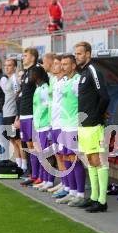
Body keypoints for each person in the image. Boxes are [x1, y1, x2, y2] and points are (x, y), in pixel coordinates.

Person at [74, 41, 110, 213]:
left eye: (80, 53)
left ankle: (102, 201)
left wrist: (96, 117)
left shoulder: (94, 70)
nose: (77, 56)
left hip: (93, 125)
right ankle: (94, 196)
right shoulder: (83, 73)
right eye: (76, 53)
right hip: (84, 125)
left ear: (88, 54)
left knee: (98, 161)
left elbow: (104, 96)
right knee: (90, 161)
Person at [54, 55, 86, 207]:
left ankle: (80, 194)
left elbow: (83, 103)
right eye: (62, 64)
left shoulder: (77, 80)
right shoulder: (64, 81)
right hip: (63, 127)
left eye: (66, 64)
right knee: (66, 159)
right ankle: (71, 191)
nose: (62, 67)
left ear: (73, 66)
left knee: (75, 160)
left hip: (74, 127)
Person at [19, 48, 45, 187]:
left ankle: (40, 175)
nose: (23, 58)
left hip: (32, 114)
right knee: (29, 145)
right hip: (24, 114)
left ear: (33, 57)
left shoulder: (37, 70)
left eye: (26, 55)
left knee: (36, 145)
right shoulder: (26, 73)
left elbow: (43, 91)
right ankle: (33, 174)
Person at [0, 58, 27, 173]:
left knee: (18, 141)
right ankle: (18, 164)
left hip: (12, 113)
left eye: (10, 65)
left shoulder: (15, 79)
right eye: (5, 65)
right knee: (12, 140)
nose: (7, 67)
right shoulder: (8, 79)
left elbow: (18, 95)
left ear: (15, 67)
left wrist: (17, 115)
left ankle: (24, 166)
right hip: (7, 113)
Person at [47, 54, 69, 194]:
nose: (52, 66)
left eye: (56, 64)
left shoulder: (66, 81)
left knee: (65, 156)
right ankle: (63, 182)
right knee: (58, 155)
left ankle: (68, 186)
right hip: (53, 123)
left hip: (62, 124)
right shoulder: (53, 80)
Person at [30, 65, 53, 191]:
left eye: (32, 74)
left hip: (44, 126)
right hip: (38, 126)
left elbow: (48, 107)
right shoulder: (38, 88)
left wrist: (49, 126)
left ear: (37, 75)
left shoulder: (45, 89)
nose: (30, 76)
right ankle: (44, 179)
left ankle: (49, 180)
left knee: (46, 154)